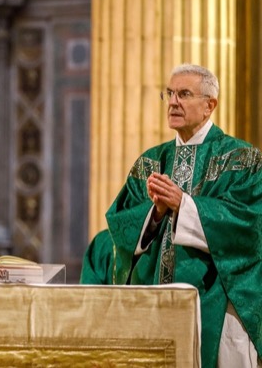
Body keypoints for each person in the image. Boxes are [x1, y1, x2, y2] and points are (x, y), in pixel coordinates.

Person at [105, 64, 262, 367]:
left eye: (184, 94)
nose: (173, 102)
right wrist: (155, 213)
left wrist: (185, 206)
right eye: (169, 94)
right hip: (154, 304)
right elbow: (120, 225)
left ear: (209, 106)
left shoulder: (243, 160)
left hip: (220, 303)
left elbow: (251, 226)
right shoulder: (151, 161)